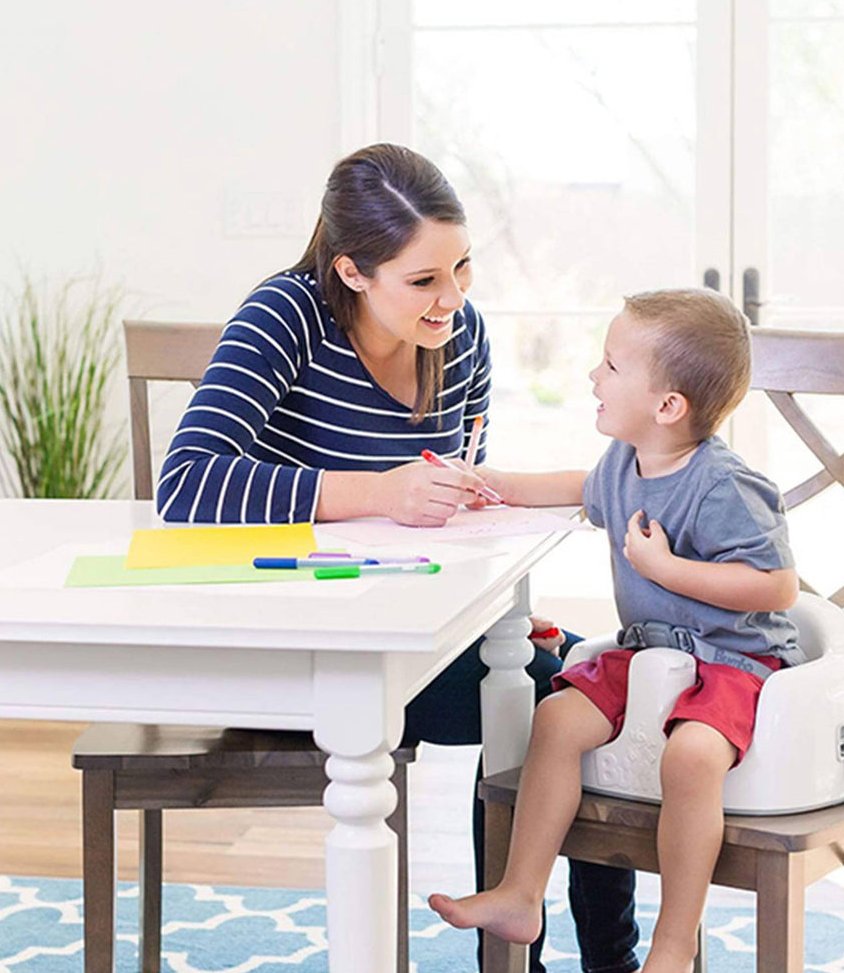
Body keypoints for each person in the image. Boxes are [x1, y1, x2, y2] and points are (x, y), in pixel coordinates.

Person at [156, 143, 639, 973]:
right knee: (550, 697)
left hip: (406, 636)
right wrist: (377, 493)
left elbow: (454, 511)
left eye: (462, 269)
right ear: (351, 271)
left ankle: (603, 964)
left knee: (574, 690)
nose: (451, 299)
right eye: (423, 281)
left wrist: (501, 614)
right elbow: (187, 485)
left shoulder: (464, 339)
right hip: (292, 654)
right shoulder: (285, 316)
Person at [429, 288, 804, 973]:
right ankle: (520, 893)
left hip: (730, 664)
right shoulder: (624, 466)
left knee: (689, 760)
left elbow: (777, 586)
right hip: (651, 653)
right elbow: (575, 485)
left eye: (609, 366)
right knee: (557, 719)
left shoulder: (723, 486)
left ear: (668, 407)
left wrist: (667, 567)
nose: (592, 378)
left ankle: (673, 941)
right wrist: (490, 482)